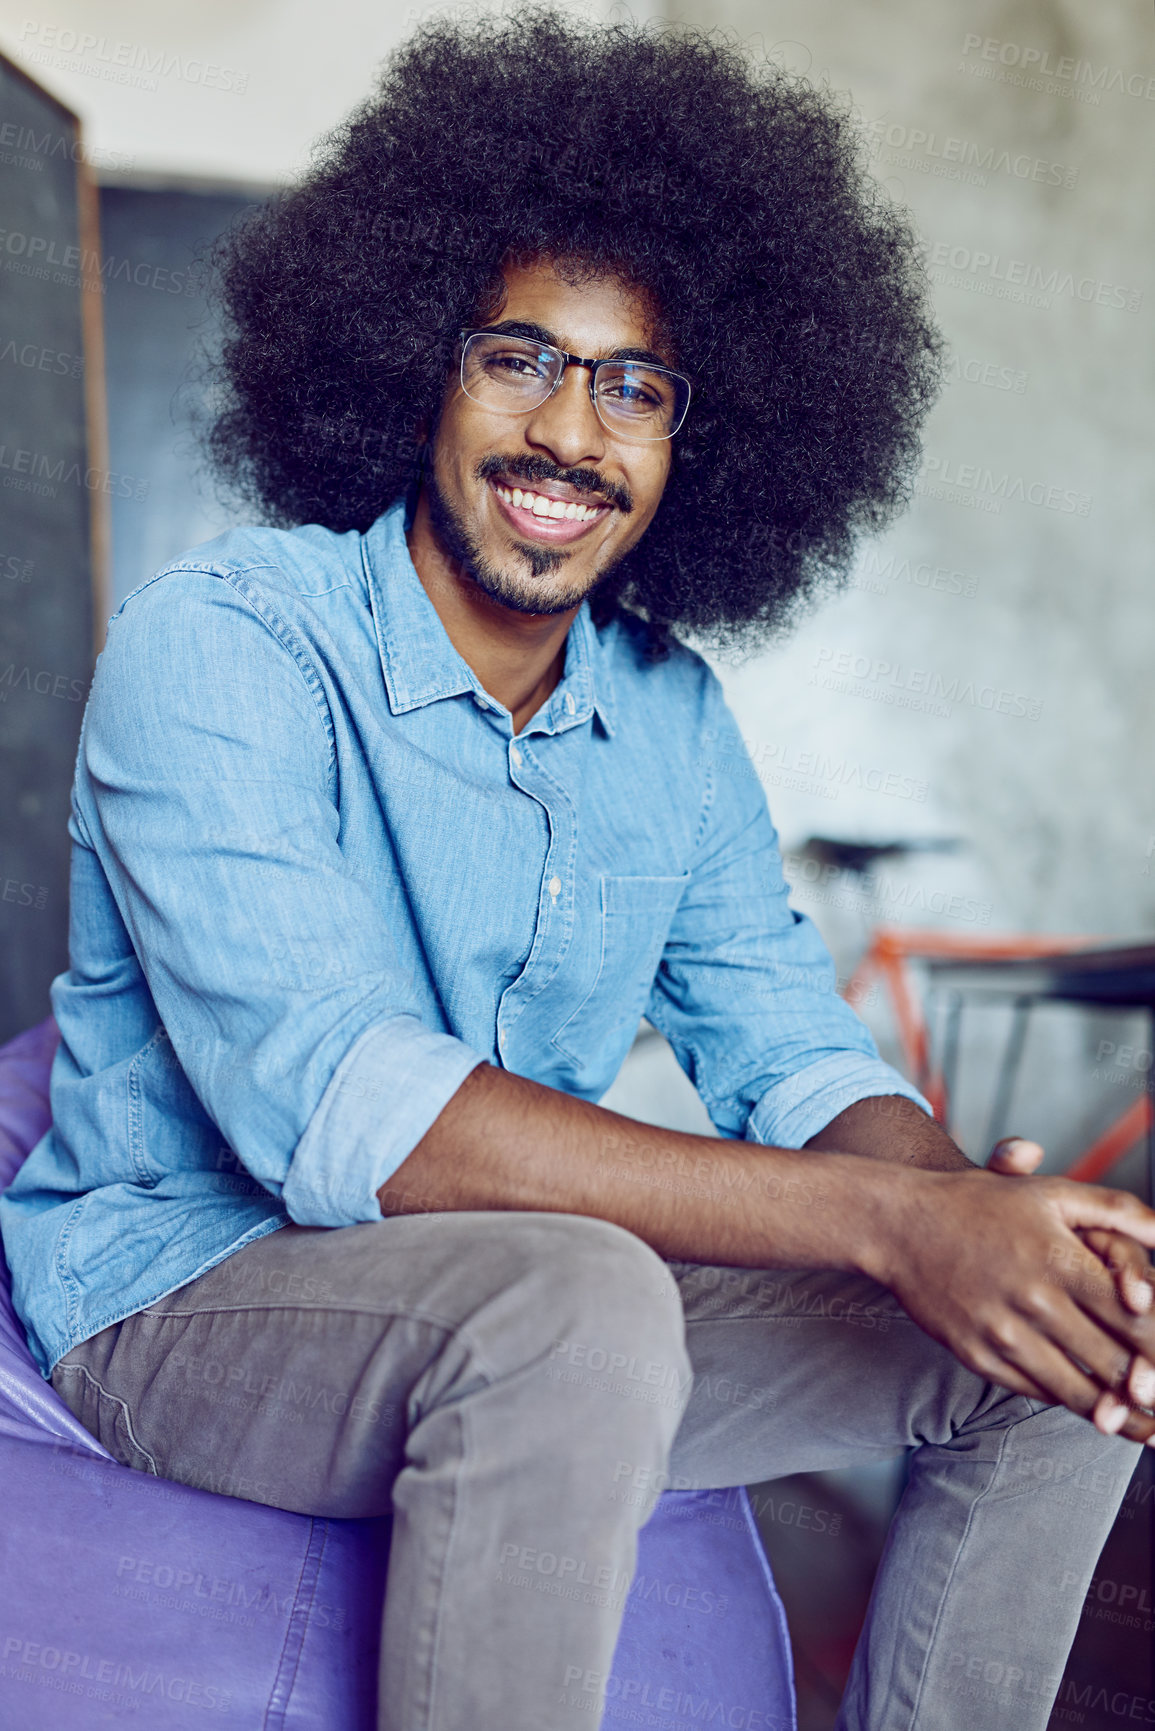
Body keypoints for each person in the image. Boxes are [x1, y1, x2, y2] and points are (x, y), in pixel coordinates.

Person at [2, 11, 1153, 1730]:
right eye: (518, 359)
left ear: (698, 441)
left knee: (1066, 1345)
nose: (571, 434)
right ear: (416, 367)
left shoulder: (668, 716)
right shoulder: (223, 646)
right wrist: (894, 1221)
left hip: (531, 1305)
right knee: (577, 1295)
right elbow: (346, 1110)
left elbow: (789, 1042)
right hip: (183, 1292)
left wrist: (975, 1225)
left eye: (635, 385)